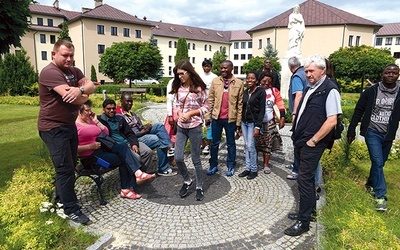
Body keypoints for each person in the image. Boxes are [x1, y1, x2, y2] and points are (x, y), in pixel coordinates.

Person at [38, 40, 96, 225]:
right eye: (65, 55)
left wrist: (80, 90)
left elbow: (91, 86)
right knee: (65, 169)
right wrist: (83, 95)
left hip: (68, 126)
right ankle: (71, 209)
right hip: (53, 128)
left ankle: (59, 199)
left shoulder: (74, 71)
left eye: (71, 55)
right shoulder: (50, 72)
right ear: (54, 54)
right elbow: (75, 101)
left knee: (69, 167)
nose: (69, 59)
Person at [284, 54, 341, 237]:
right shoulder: (312, 87)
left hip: (313, 143)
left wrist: (314, 140)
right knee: (306, 180)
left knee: (304, 180)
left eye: (311, 71)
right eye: (306, 71)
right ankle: (309, 212)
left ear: (322, 70)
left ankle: (303, 222)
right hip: (303, 140)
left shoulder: (329, 89)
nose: (307, 74)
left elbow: (332, 120)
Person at [347, 64, 400, 211]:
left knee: (380, 163)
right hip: (372, 131)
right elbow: (359, 110)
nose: (391, 75)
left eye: (394, 73)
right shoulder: (371, 91)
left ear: (398, 75)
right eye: (387, 72)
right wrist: (351, 129)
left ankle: (370, 184)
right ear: (382, 74)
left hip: (388, 134)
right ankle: (380, 196)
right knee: (377, 162)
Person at [76, 100, 154, 200]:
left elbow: (106, 132)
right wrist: (90, 147)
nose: (90, 112)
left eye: (90, 110)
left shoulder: (90, 120)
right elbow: (72, 149)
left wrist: (96, 121)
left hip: (102, 151)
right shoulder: (75, 126)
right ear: (79, 111)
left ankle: (136, 176)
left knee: (123, 147)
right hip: (92, 160)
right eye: (87, 110)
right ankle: (129, 185)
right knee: (123, 158)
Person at [170, 60, 209, 201]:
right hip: (181, 127)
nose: (179, 76)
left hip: (194, 127)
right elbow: (177, 105)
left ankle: (199, 186)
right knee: (178, 157)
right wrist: (180, 114)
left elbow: (206, 107)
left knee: (196, 159)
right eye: (177, 74)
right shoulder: (179, 88)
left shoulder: (199, 89)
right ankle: (187, 180)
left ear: (189, 72)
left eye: (181, 73)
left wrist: (191, 113)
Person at [117, 93, 177, 176]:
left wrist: (146, 126)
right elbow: (127, 133)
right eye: (127, 101)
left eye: (131, 101)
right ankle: (163, 168)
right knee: (159, 140)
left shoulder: (132, 113)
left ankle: (170, 148)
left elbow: (139, 126)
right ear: (121, 101)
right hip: (135, 139)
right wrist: (141, 132)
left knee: (159, 126)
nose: (130, 103)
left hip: (142, 133)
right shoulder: (119, 116)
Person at [97, 99, 156, 182]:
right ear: (103, 109)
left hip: (128, 142)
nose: (111, 111)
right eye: (108, 109)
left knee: (147, 151)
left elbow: (129, 133)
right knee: (137, 157)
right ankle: (134, 178)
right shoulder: (100, 120)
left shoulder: (119, 118)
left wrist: (134, 144)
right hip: (116, 147)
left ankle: (141, 174)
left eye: (113, 108)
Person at [206, 60, 244, 177]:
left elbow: (240, 104)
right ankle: (213, 165)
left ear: (231, 68)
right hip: (216, 118)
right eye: (221, 68)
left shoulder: (238, 83)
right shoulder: (216, 81)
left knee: (231, 144)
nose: (223, 70)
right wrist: (208, 115)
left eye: (225, 68)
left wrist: (238, 122)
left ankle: (231, 165)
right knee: (214, 143)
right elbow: (210, 99)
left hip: (230, 119)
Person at [255, 71, 285, 174]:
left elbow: (280, 104)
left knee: (268, 144)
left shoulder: (274, 91)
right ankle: (253, 163)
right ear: (260, 80)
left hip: (269, 122)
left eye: (269, 81)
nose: (266, 83)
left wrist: (282, 118)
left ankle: (265, 164)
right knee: (254, 144)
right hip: (255, 122)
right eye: (264, 81)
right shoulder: (255, 89)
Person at [237, 72, 265, 180]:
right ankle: (247, 168)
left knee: (251, 146)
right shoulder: (246, 92)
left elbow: (262, 110)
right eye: (248, 78)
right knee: (246, 146)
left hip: (253, 123)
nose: (249, 80)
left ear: (256, 81)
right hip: (244, 122)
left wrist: (258, 126)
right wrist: (239, 125)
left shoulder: (260, 92)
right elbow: (242, 108)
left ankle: (253, 169)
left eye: (252, 78)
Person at [286, 56, 308, 180]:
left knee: (297, 141)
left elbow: (298, 95)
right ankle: (296, 164)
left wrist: (294, 114)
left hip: (300, 114)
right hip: (307, 113)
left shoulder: (296, 76)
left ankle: (296, 169)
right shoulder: (305, 72)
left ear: (291, 68)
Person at [199, 59, 217, 154]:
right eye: (205, 66)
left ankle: (209, 145)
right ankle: (202, 143)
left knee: (209, 124)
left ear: (211, 67)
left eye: (208, 66)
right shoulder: (198, 76)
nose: (206, 68)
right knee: (198, 124)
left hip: (210, 104)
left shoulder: (215, 77)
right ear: (202, 67)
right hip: (200, 103)